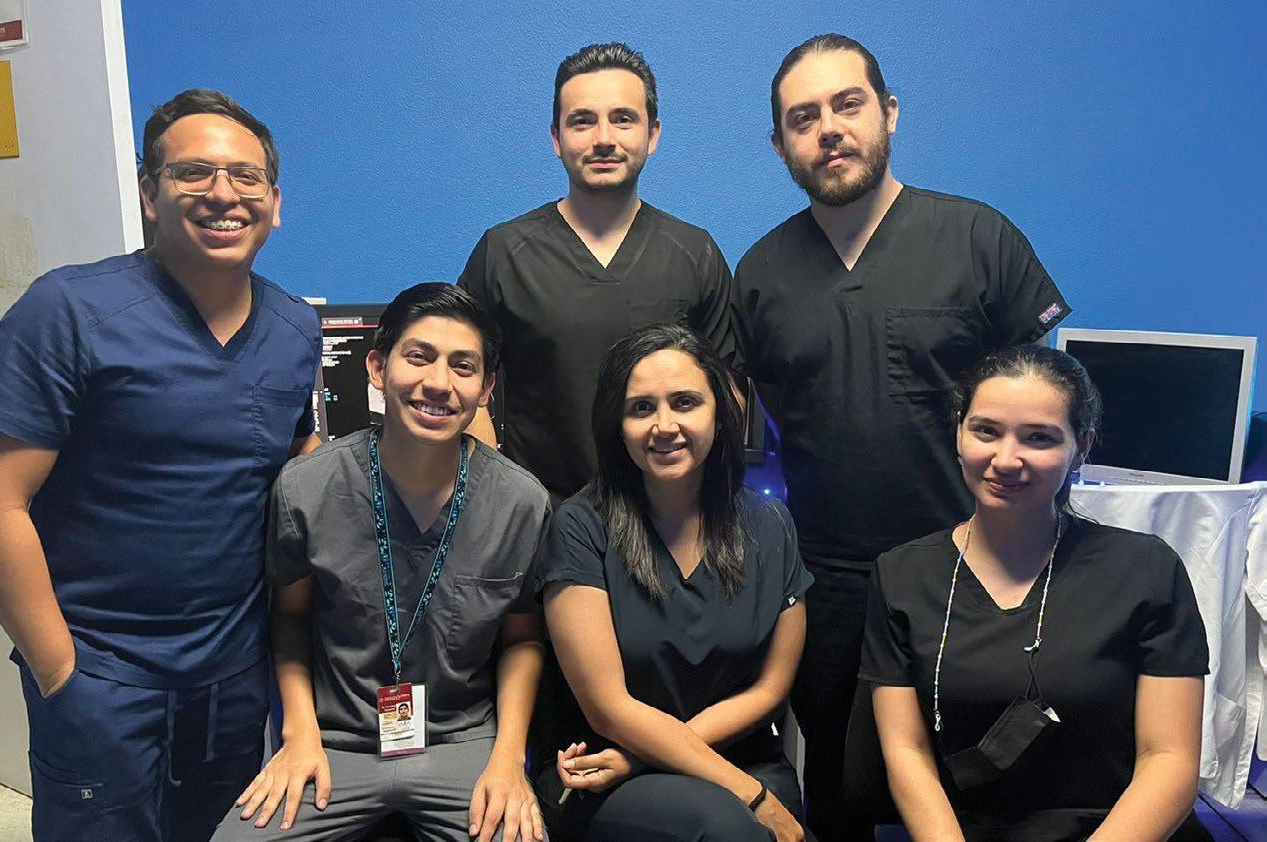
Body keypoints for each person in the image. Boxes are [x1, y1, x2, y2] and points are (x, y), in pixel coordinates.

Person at [732, 34, 1072, 839]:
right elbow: (773, 404)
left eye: (847, 104)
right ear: (779, 145)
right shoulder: (761, 273)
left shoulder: (978, 239)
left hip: (976, 563)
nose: (828, 129)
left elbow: (1038, 395)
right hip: (829, 577)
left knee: (991, 772)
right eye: (802, 118)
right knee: (842, 779)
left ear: (887, 112)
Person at [0, 89, 317, 841]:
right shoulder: (66, 312)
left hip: (231, 673)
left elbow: (292, 465)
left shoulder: (294, 327)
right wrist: (62, 674)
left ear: (275, 203)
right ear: (150, 194)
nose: (223, 194)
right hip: (102, 670)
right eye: (193, 172)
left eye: (246, 177)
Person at [215, 283, 551, 842]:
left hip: (462, 743)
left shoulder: (520, 503)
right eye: (419, 356)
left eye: (463, 366)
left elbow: (523, 638)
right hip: (335, 743)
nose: (439, 383)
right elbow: (290, 616)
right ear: (377, 367)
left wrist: (509, 759)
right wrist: (299, 732)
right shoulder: (308, 487)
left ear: (486, 388)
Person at [861, 344, 1209, 840]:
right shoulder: (901, 575)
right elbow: (906, 752)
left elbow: (1169, 758)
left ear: (1081, 448)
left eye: (1039, 437)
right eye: (986, 431)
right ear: (958, 433)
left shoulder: (1146, 570)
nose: (1005, 460)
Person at [538, 324, 811, 842]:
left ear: (720, 412)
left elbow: (771, 689)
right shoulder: (579, 527)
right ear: (617, 424)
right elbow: (608, 709)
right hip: (605, 772)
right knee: (731, 829)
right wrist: (751, 796)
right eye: (641, 408)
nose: (665, 426)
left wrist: (646, 756)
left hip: (727, 756)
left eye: (685, 402)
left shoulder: (771, 524)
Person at [459, 41, 739, 505]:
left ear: (652, 134)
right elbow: (459, 375)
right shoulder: (504, 253)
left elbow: (728, 392)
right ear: (556, 138)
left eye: (623, 119)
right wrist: (496, 490)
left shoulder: (695, 253)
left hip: (666, 518)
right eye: (583, 121)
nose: (604, 138)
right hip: (538, 517)